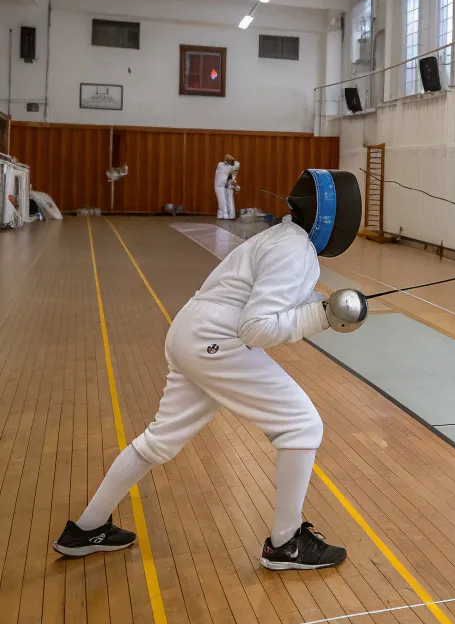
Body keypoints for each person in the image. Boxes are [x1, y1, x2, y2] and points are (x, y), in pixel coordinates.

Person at [54, 169, 370, 570]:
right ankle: (286, 543)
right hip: (216, 341)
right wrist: (324, 316)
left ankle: (86, 529)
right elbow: (256, 328)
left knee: (159, 440)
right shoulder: (295, 250)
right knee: (302, 425)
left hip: (191, 331)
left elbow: (278, 295)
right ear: (333, 218)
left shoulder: (281, 237)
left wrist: (323, 305)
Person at [215, 154, 241, 220]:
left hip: (228, 184)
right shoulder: (221, 165)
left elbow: (232, 176)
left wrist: (234, 185)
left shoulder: (234, 166)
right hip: (220, 185)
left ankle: (231, 215)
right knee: (222, 200)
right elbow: (228, 173)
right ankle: (223, 215)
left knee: (230, 199)